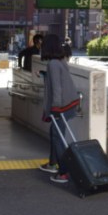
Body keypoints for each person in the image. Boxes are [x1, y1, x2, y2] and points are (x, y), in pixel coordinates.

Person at [40, 33, 80, 184]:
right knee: (55, 133)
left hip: (62, 106)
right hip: (70, 102)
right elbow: (60, 80)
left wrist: (55, 107)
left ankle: (64, 172)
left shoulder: (53, 64)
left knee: (58, 137)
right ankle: (52, 163)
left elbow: (57, 88)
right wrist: (44, 75)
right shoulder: (60, 60)